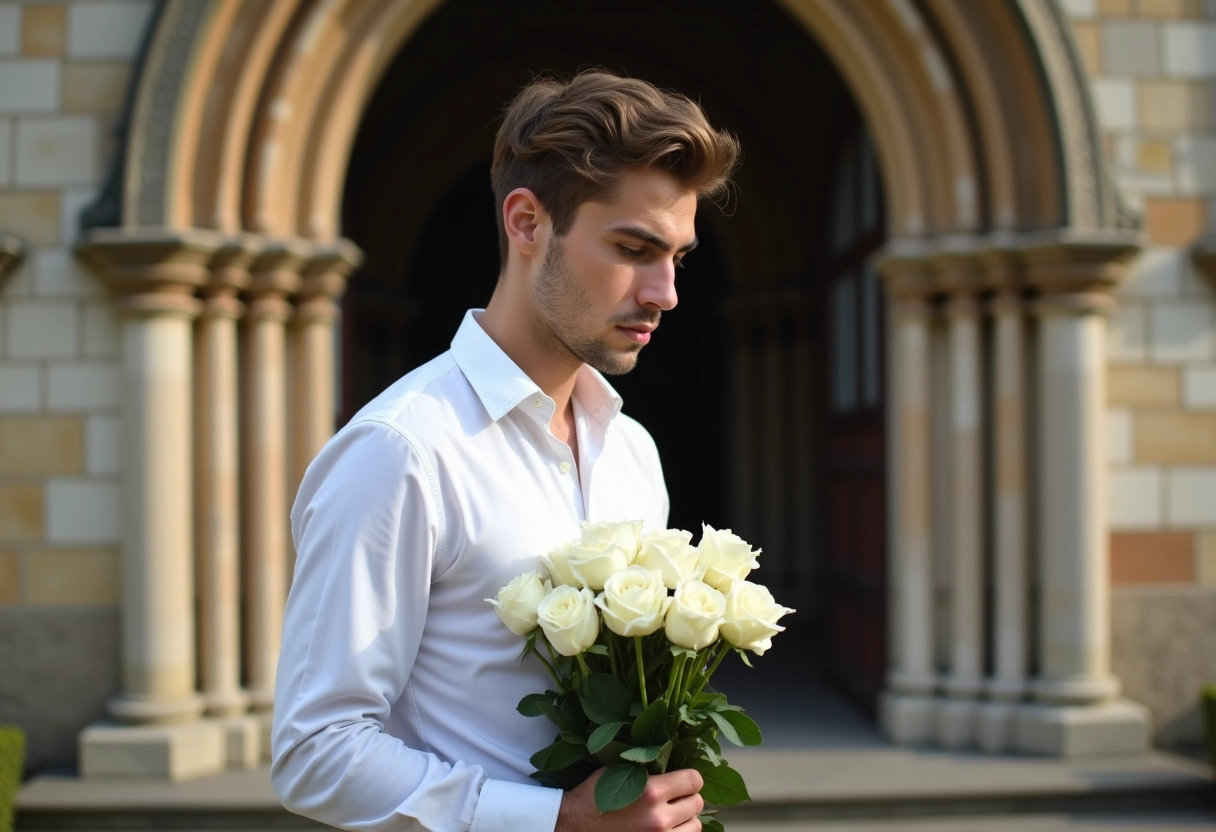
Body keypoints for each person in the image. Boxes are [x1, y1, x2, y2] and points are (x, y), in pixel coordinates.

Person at [271, 70, 740, 832]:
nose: (665, 292)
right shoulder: (401, 451)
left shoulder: (631, 451)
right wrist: (552, 820)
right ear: (527, 223)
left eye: (678, 258)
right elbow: (315, 752)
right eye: (633, 247)